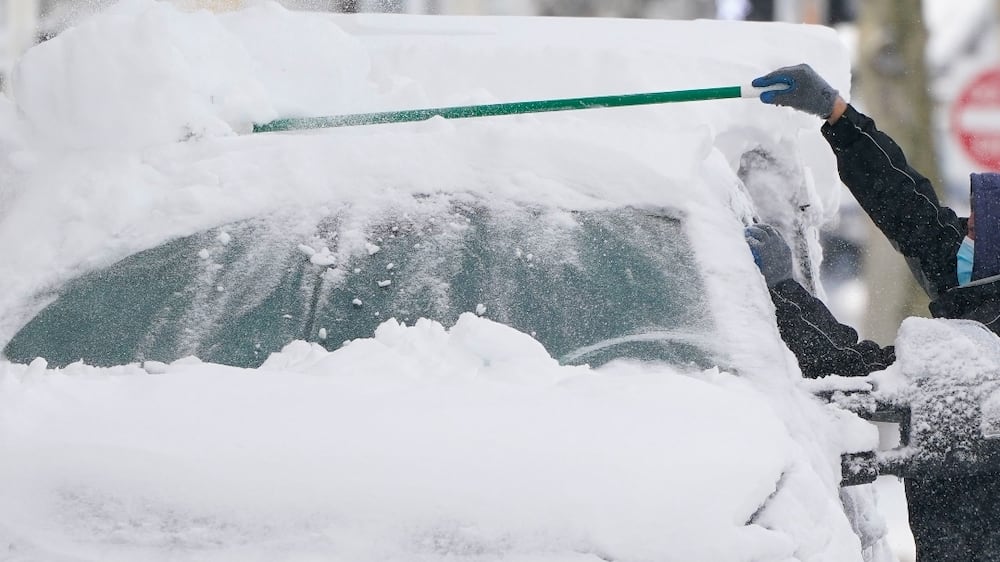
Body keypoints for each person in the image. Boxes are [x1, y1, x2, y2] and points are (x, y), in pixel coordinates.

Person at [746, 63, 1000, 561]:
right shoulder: (979, 288)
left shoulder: (981, 366)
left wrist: (782, 292)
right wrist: (838, 116)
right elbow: (911, 210)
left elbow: (853, 375)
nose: (959, 231)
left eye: (974, 229)